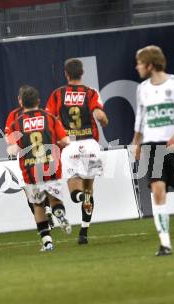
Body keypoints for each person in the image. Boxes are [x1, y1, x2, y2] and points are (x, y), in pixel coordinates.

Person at [131, 45, 174, 256]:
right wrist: (136, 142)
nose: (137, 67)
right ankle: (165, 244)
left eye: (140, 63)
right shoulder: (142, 89)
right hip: (153, 145)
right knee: (158, 191)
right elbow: (141, 118)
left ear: (150, 65)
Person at [45, 58, 108, 245]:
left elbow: (49, 118)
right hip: (91, 145)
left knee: (75, 192)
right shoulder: (91, 93)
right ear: (82, 73)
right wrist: (102, 118)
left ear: (66, 74)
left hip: (70, 145)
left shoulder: (58, 94)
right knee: (90, 189)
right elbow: (100, 116)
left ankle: (81, 196)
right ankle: (84, 233)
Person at [7, 85, 70, 252]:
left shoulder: (16, 123)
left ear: (21, 103)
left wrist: (14, 148)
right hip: (51, 167)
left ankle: (47, 242)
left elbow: (12, 148)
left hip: (31, 171)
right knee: (55, 200)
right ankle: (58, 211)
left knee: (39, 206)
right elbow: (65, 141)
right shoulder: (49, 118)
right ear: (38, 101)